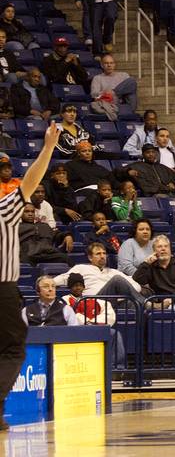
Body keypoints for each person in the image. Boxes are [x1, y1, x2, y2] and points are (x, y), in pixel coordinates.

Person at [0, 122, 60, 429]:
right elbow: (30, 180)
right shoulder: (4, 211)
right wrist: (49, 147)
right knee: (12, 347)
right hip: (3, 290)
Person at [62, 273, 126, 366]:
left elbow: (109, 313)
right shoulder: (64, 300)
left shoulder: (92, 299)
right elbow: (71, 315)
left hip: (96, 328)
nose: (78, 288)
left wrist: (94, 322)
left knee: (114, 333)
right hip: (76, 331)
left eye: (80, 285)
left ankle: (117, 367)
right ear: (70, 287)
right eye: (75, 286)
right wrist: (87, 322)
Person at [52, 242, 145, 304]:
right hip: (94, 302)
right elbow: (62, 279)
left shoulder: (113, 271)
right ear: (90, 257)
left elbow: (136, 286)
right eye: (98, 254)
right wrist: (48, 283)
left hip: (112, 302)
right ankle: (146, 303)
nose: (102, 256)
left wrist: (119, 298)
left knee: (133, 305)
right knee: (117, 280)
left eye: (104, 253)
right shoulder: (81, 268)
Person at [121, 144, 175, 209]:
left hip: (172, 193)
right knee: (163, 198)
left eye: (153, 152)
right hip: (155, 195)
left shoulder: (163, 167)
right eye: (148, 152)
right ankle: (170, 220)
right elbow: (117, 172)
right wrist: (128, 171)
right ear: (143, 154)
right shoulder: (137, 166)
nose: (151, 154)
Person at [90, 54, 138, 120]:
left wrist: (113, 92)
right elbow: (94, 95)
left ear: (114, 64)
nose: (109, 65)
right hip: (109, 105)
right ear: (102, 65)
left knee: (132, 83)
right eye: (106, 63)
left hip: (123, 105)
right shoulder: (97, 78)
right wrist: (105, 92)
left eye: (111, 63)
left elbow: (132, 85)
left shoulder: (123, 75)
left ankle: (129, 111)